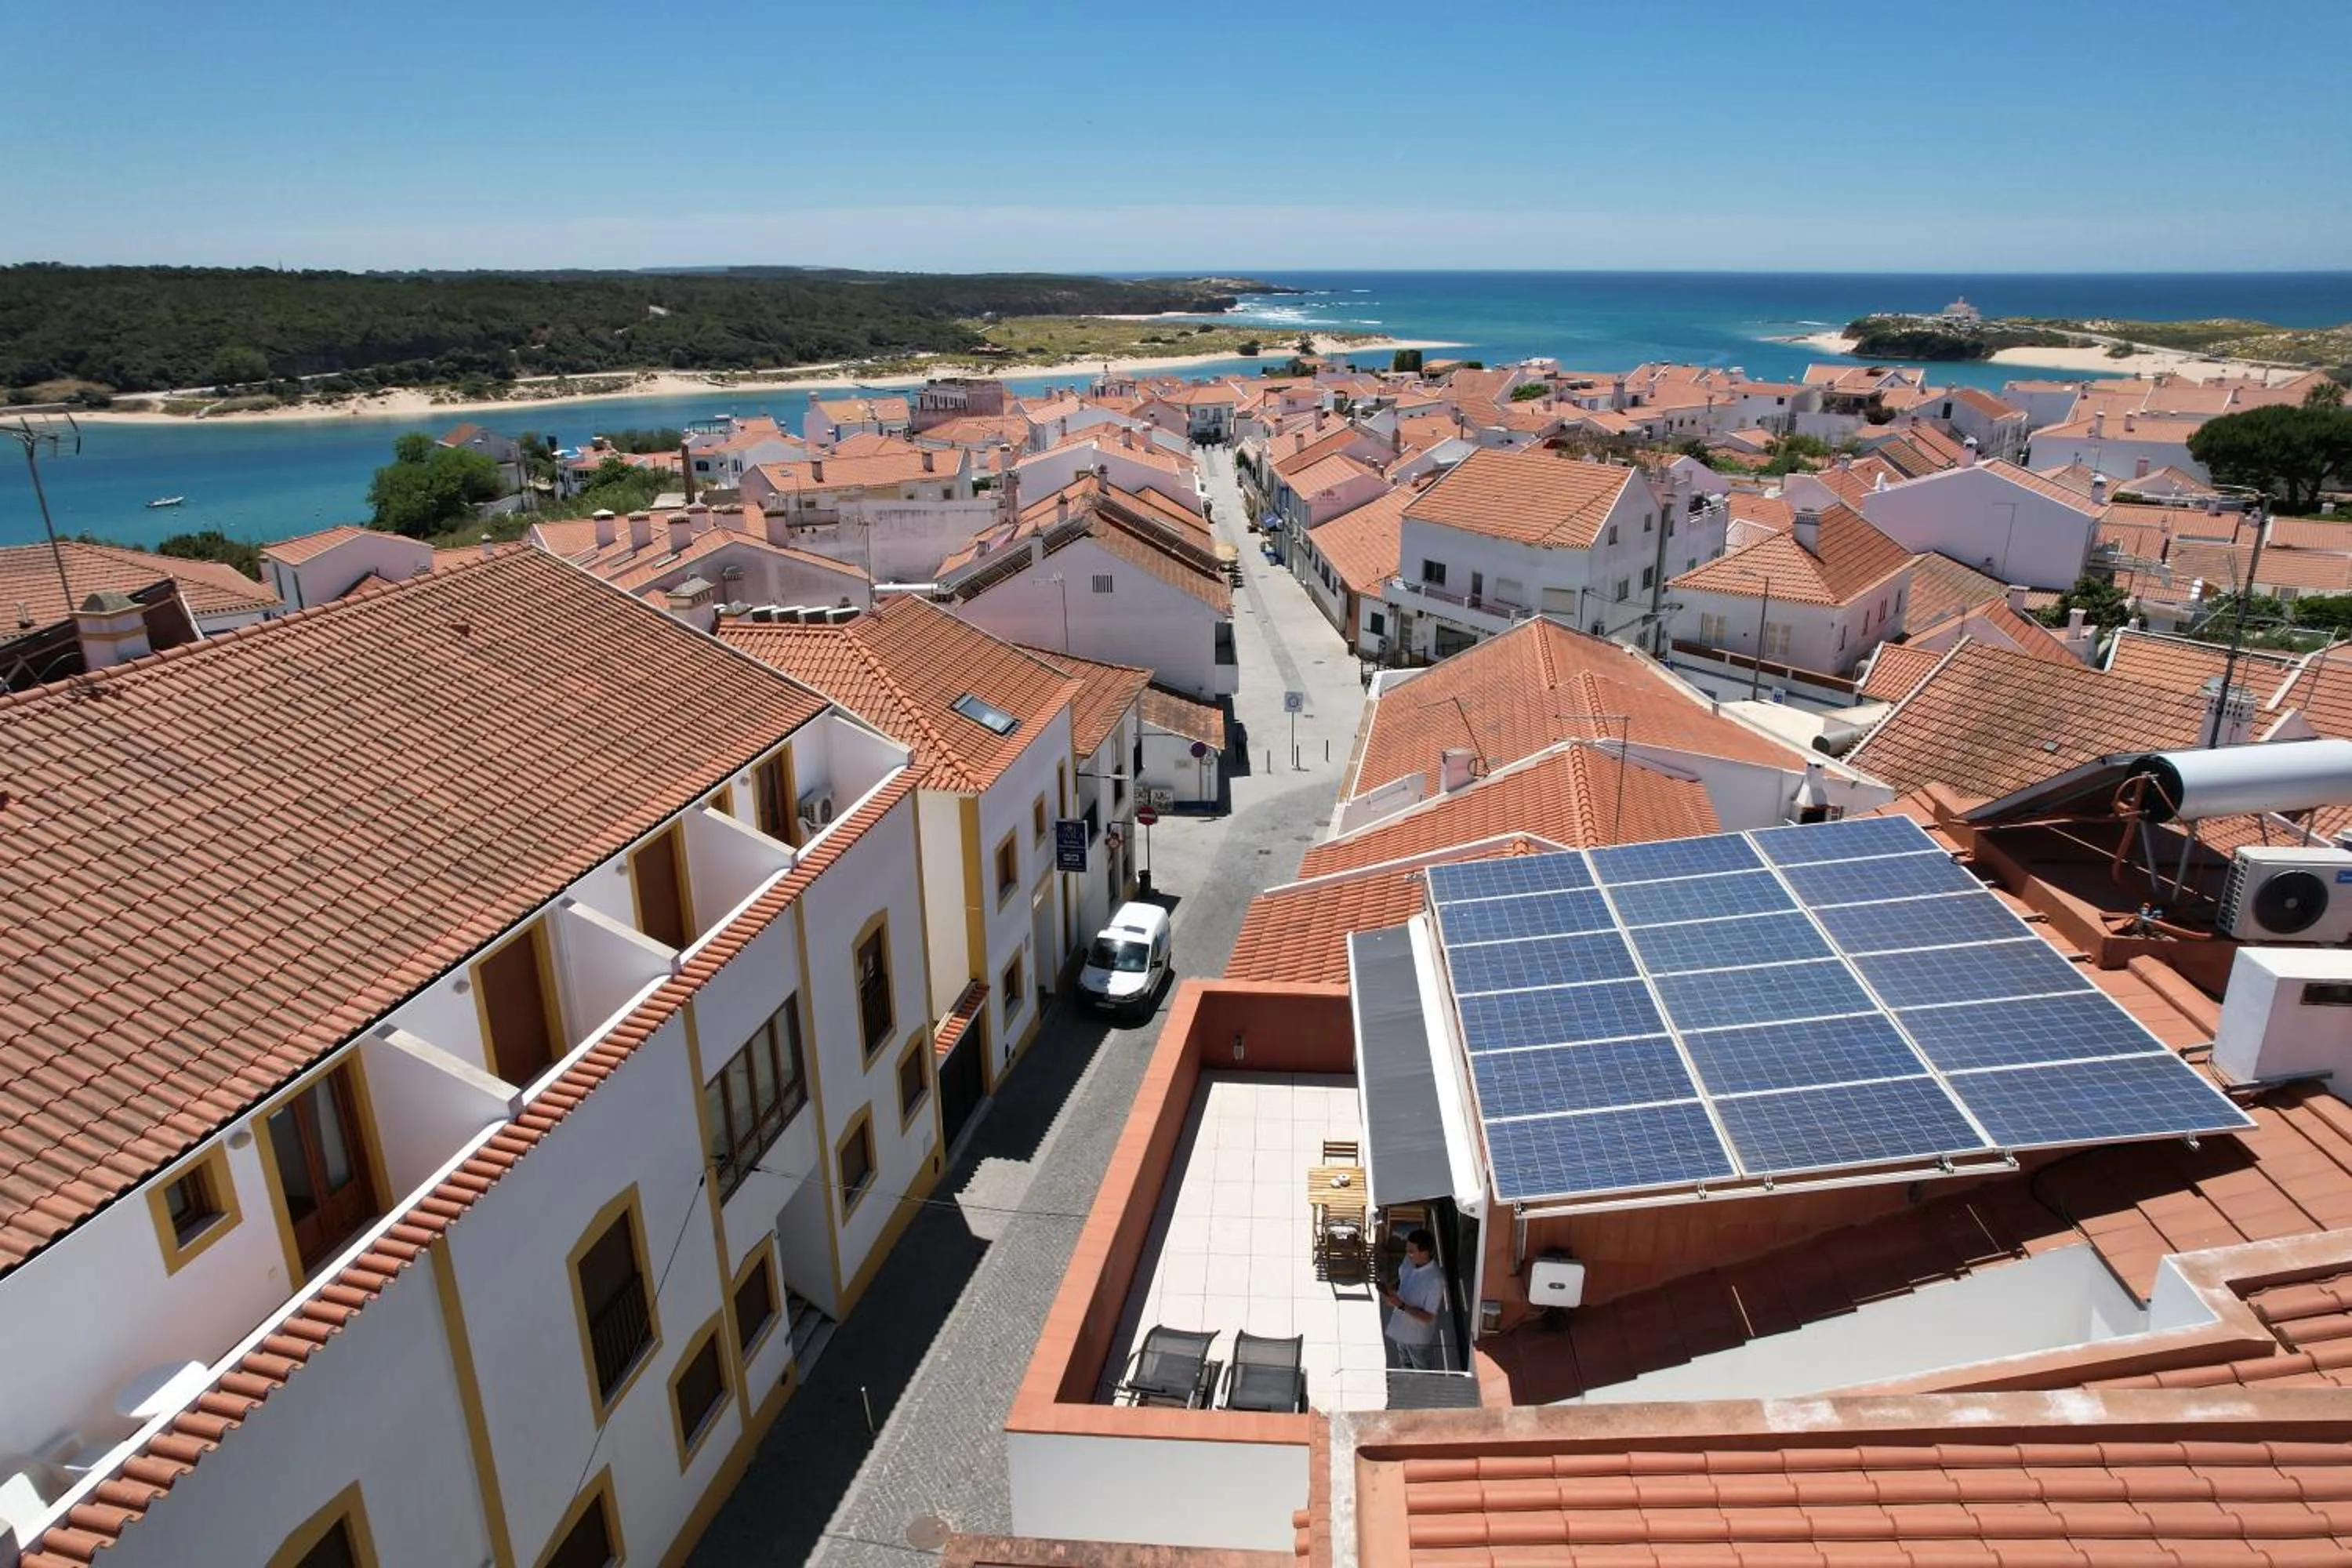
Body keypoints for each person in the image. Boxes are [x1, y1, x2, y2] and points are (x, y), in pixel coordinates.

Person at [1379, 1228, 1444, 1370]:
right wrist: (1392, 1289)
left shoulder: (1435, 1280)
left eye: (1412, 1251)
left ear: (1424, 1252)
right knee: (1405, 1369)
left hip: (1417, 1338)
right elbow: (1403, 1276)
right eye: (1407, 1250)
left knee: (1423, 1375)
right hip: (1401, 1329)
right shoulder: (1409, 1260)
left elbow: (1428, 1317)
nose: (1408, 1254)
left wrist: (1401, 1305)